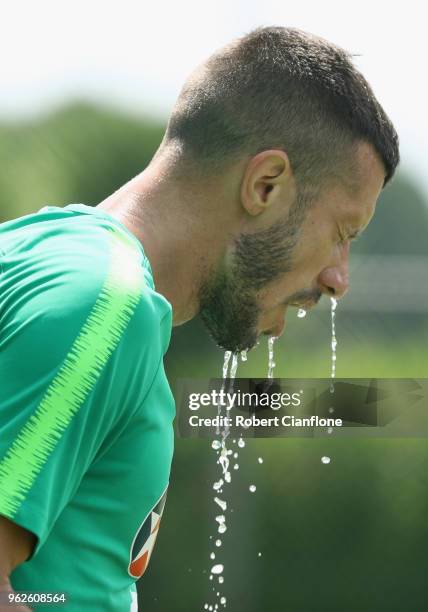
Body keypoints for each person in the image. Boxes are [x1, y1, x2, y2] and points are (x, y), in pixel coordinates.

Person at [0, 26, 398, 611]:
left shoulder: (44, 252)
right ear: (266, 185)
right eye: (341, 233)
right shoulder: (106, 307)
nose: (339, 278)